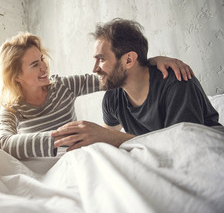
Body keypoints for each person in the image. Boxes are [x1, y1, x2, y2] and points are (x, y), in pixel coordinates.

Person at [0, 31, 194, 159]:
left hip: (77, 163)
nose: (44, 67)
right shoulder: (11, 108)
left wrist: (151, 61)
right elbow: (3, 143)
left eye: (41, 59)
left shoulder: (63, 86)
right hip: (42, 170)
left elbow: (113, 75)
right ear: (16, 77)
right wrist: (64, 139)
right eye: (34, 64)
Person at [51, 18, 222, 151]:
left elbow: (184, 146)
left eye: (101, 59)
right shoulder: (113, 97)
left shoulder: (177, 82)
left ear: (129, 60)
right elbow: (107, 134)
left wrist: (108, 136)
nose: (94, 69)